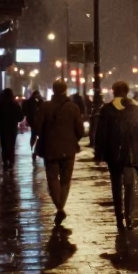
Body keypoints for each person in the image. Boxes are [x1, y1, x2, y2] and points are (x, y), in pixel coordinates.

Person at [94, 81, 138, 231]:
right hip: (131, 152)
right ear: (127, 91)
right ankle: (129, 217)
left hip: (113, 154)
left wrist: (99, 152)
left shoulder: (107, 109)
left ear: (114, 92)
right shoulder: (136, 108)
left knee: (116, 186)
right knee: (130, 185)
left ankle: (119, 217)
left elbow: (100, 133)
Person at [32, 80, 85, 225]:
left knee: (52, 178)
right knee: (66, 179)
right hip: (68, 149)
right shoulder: (73, 107)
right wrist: (72, 138)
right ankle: (61, 206)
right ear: (65, 90)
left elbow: (37, 128)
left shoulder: (45, 106)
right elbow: (80, 131)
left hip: (50, 148)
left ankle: (59, 208)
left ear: (53, 90)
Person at [0, 89, 25, 172]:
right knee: (12, 144)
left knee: (4, 144)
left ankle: (5, 160)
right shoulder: (15, 105)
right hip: (12, 128)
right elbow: (20, 117)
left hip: (2, 127)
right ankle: (11, 161)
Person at [23, 91, 44, 161]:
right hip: (34, 121)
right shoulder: (32, 102)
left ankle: (34, 150)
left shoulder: (36, 102)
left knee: (35, 135)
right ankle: (34, 150)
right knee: (36, 135)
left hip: (35, 121)